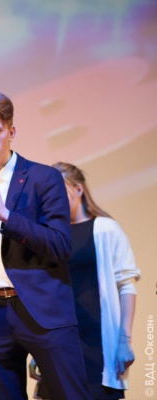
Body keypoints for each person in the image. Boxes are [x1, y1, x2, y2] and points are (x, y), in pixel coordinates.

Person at [0, 89, 92, 400]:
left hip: (44, 310)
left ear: (11, 132)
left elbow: (60, 245)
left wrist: (7, 216)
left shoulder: (44, 178)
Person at [28, 162, 140, 399]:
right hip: (59, 343)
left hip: (97, 343)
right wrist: (37, 348)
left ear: (78, 189)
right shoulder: (49, 236)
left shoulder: (106, 229)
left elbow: (126, 284)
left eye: (59, 191)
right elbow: (44, 294)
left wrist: (124, 340)